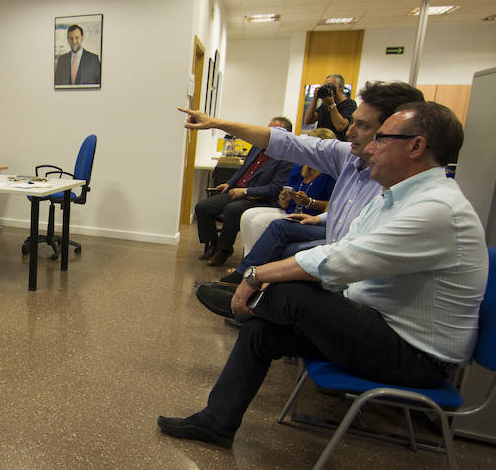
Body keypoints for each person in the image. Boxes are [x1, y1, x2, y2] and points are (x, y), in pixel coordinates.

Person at [157, 101, 488, 449]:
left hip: (418, 357)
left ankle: (243, 302)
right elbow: (342, 251)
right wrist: (267, 276)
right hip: (383, 328)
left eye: (381, 139)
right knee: (264, 328)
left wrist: (255, 275)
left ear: (416, 146)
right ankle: (216, 423)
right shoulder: (397, 197)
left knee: (291, 294)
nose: (368, 148)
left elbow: (341, 260)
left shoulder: (437, 209)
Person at [180, 81, 425, 288]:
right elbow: (286, 143)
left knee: (285, 256)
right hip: (338, 252)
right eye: (354, 122)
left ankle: (243, 289)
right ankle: (244, 297)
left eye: (363, 126)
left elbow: (358, 254)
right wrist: (218, 123)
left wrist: (259, 275)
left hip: (354, 276)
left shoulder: (408, 189)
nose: (349, 131)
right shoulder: (349, 157)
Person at [194, 117, 294, 267]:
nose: (268, 134)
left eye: (274, 131)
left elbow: (275, 188)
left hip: (258, 198)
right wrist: (229, 183)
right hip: (236, 191)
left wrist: (245, 191)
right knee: (202, 207)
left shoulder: (286, 158)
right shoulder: (257, 147)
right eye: (268, 130)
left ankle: (224, 249)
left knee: (232, 210)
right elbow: (243, 169)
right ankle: (214, 244)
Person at [238, 128, 337, 255]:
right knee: (248, 216)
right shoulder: (300, 167)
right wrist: (284, 198)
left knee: (259, 222)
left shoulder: (331, 174)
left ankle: (257, 264)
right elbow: (284, 202)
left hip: (311, 215)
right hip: (291, 210)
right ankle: (248, 259)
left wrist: (309, 202)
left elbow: (331, 206)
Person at [304, 74, 356, 141]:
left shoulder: (350, 104)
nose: (327, 88)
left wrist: (331, 105)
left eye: (329, 86)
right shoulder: (325, 104)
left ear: (339, 87)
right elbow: (308, 120)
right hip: (321, 144)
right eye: (325, 86)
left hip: (336, 146)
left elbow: (341, 126)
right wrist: (315, 99)